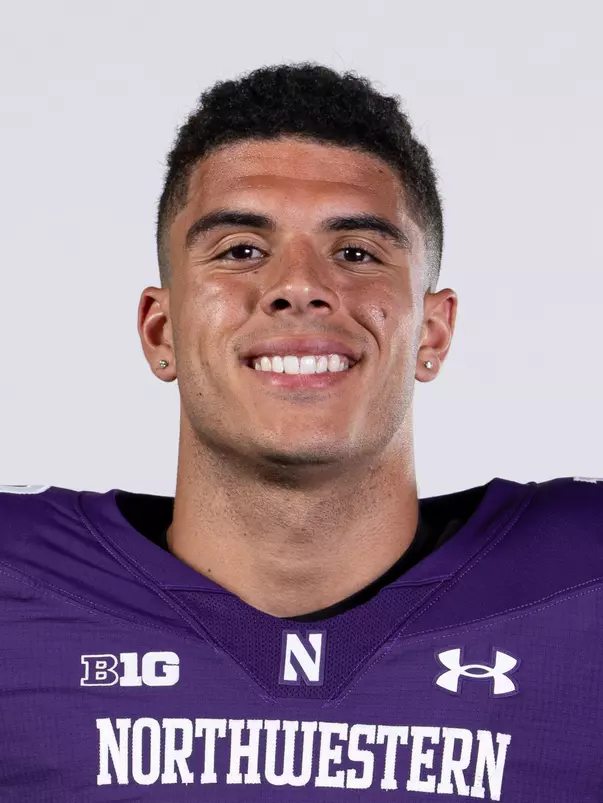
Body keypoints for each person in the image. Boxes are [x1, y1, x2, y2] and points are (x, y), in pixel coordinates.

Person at [0, 63, 601, 803]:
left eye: (355, 252)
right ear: (159, 330)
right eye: (241, 250)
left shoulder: (581, 588)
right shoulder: (18, 591)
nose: (299, 284)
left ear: (432, 333)